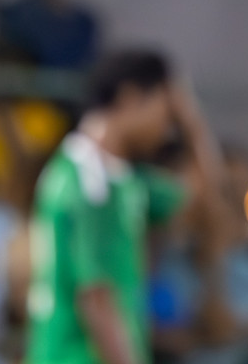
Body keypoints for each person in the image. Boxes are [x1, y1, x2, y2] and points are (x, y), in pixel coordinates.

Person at [26, 50, 222, 364]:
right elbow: (97, 299)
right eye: (165, 109)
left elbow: (203, 196)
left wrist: (193, 123)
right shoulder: (89, 182)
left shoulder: (123, 181)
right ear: (131, 97)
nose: (167, 125)